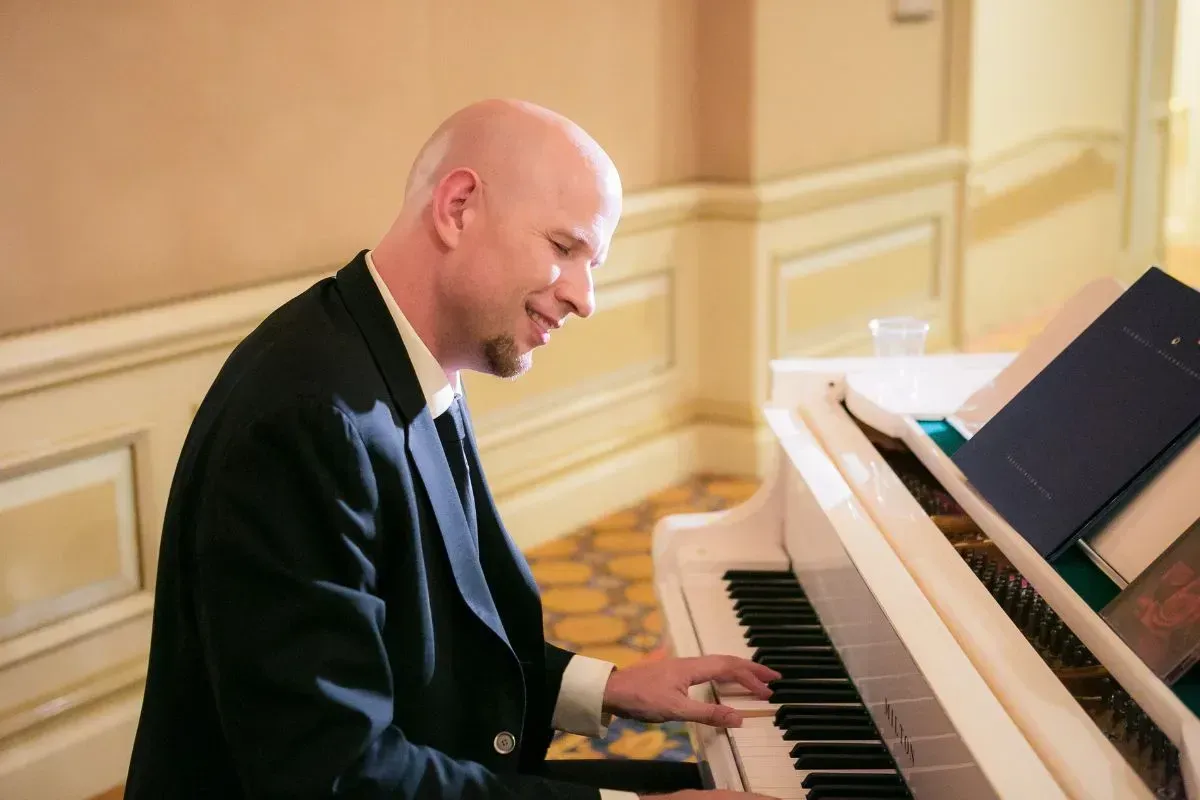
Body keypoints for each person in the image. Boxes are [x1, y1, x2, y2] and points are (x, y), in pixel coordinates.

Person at [123, 98, 780, 800]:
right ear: (458, 208)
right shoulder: (310, 419)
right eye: (565, 248)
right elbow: (334, 775)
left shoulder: (399, 353)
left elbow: (427, 652)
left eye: (592, 263)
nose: (585, 298)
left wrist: (605, 687)